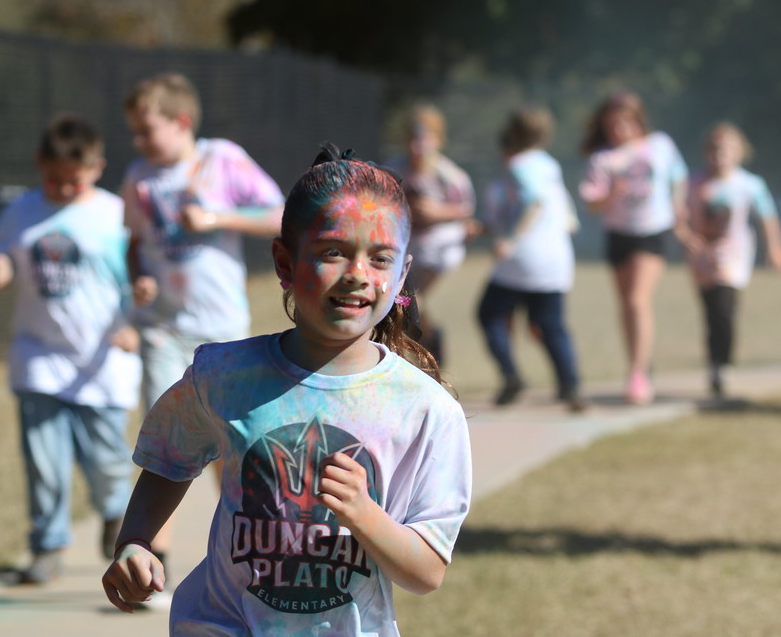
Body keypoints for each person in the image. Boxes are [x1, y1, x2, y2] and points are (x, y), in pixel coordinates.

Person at [102, 143, 473, 635]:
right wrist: (135, 541)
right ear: (284, 262)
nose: (357, 275)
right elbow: (167, 461)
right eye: (332, 252)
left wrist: (365, 514)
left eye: (380, 258)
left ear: (403, 272)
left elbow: (427, 572)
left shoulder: (426, 410)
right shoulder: (224, 375)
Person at [119, 71, 285, 579]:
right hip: (163, 328)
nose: (140, 141)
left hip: (220, 326)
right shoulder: (138, 178)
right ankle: (151, 555)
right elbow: (131, 242)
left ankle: (245, 540)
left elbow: (281, 215)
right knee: (166, 438)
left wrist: (216, 220)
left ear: (181, 121)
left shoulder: (221, 159)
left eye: (148, 129)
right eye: (135, 132)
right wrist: (139, 279)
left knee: (229, 437)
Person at [0, 113, 141, 584]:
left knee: (108, 460)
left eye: (76, 180)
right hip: (40, 358)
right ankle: (47, 545)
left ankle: (115, 519)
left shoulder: (114, 214)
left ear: (97, 167)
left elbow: (139, 276)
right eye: (54, 179)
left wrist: (132, 324)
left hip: (102, 362)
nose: (65, 189)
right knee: (45, 462)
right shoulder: (22, 211)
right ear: (38, 165)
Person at [578, 90, 692, 404]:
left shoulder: (659, 145)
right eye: (612, 125)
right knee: (627, 307)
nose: (619, 130)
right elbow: (592, 203)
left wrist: (678, 207)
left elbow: (679, 176)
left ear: (637, 120)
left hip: (651, 231)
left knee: (638, 300)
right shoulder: (602, 158)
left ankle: (638, 374)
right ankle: (639, 365)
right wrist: (612, 193)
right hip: (619, 235)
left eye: (625, 122)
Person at [477, 107, 586, 412]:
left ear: (513, 133)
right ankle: (570, 383)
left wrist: (511, 239)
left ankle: (511, 375)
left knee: (489, 314)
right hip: (556, 258)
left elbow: (532, 201)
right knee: (550, 324)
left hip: (523, 258)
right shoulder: (550, 165)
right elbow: (567, 216)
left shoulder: (517, 165)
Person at [684, 122, 781, 398]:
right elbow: (679, 216)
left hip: (735, 254)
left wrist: (773, 248)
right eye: (714, 149)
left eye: (726, 149)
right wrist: (687, 238)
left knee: (725, 308)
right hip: (703, 256)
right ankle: (715, 363)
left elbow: (767, 217)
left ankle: (722, 365)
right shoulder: (693, 183)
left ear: (739, 152)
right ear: (706, 152)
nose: (719, 155)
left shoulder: (749, 184)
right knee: (710, 311)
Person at [388, 103, 476, 365]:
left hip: (438, 250)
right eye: (413, 137)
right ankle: (431, 343)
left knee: (409, 299)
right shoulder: (394, 169)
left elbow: (466, 210)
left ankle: (427, 355)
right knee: (408, 303)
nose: (418, 146)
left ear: (438, 139)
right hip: (407, 248)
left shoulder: (449, 176)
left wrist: (437, 212)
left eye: (425, 137)